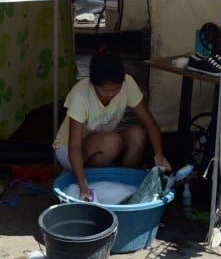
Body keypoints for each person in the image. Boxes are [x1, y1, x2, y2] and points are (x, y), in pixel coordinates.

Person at [52, 52, 171, 201]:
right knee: (112, 142)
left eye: (116, 89)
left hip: (101, 141)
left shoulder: (128, 84)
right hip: (67, 150)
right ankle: (79, 176)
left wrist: (158, 154)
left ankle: (123, 179)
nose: (111, 94)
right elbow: (74, 146)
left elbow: (150, 123)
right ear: (93, 84)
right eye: (105, 91)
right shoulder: (80, 95)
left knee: (138, 134)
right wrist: (83, 186)